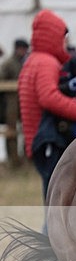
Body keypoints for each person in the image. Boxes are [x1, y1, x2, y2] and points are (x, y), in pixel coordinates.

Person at [18, 11, 76, 199]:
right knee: (56, 196)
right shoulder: (47, 62)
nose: (65, 43)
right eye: (63, 38)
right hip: (47, 139)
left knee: (51, 192)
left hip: (36, 138)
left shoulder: (32, 60)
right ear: (53, 37)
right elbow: (48, 98)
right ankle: (51, 229)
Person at [0, 38, 29, 166]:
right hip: (10, 103)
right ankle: (13, 159)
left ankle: (26, 158)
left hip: (24, 100)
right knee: (11, 131)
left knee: (26, 129)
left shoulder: (26, 62)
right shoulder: (9, 63)